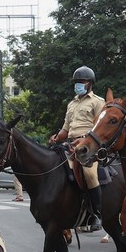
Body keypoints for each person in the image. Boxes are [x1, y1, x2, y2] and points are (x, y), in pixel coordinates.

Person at [49, 66, 105, 231]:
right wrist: (56, 137)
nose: (79, 84)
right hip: (70, 144)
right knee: (54, 168)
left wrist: (84, 140)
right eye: (77, 82)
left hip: (89, 147)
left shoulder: (97, 102)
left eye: (82, 81)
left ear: (90, 84)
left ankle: (97, 214)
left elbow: (101, 128)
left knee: (89, 174)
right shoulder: (71, 104)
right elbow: (66, 129)